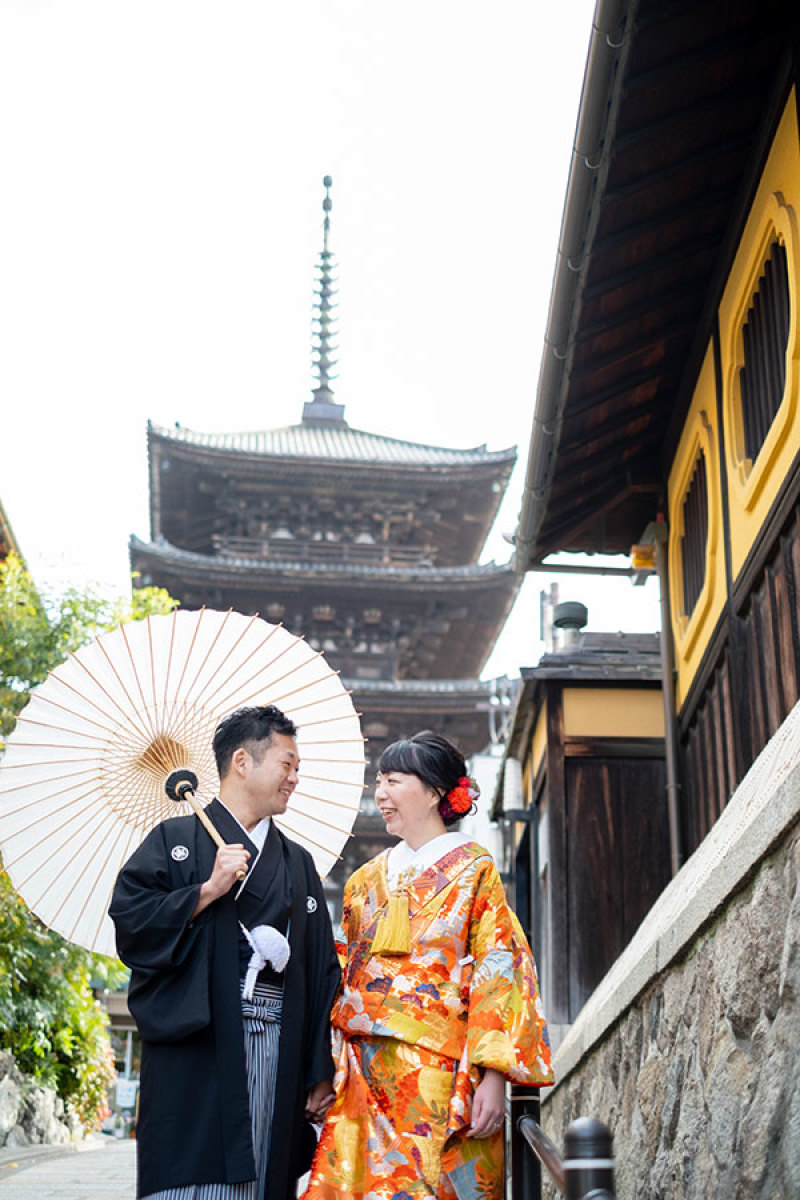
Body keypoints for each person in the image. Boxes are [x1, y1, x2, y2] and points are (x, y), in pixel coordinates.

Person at [301, 730, 554, 1200]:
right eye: (378, 781)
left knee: (434, 1184)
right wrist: (321, 1066)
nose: (380, 793)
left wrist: (494, 1076)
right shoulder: (363, 881)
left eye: (394, 780)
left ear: (436, 792)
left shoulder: (474, 870)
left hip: (442, 1068)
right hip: (361, 1071)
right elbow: (339, 976)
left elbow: (499, 970)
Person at [109, 704, 341, 1200]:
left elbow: (323, 971)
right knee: (188, 1176)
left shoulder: (298, 863)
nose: (295, 778)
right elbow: (132, 925)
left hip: (277, 1045)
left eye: (297, 768)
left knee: (262, 1173)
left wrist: (319, 1068)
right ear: (242, 761)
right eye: (287, 764)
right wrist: (205, 891)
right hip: (197, 1041)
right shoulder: (173, 840)